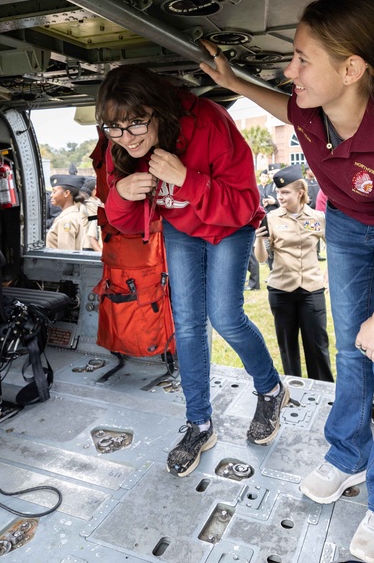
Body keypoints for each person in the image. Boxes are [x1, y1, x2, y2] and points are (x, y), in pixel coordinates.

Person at [201, 0, 374, 563]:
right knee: (348, 352)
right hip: (345, 227)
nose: (290, 70)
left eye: (300, 59)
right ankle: (348, 456)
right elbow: (280, 105)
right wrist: (233, 79)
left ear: (351, 70)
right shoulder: (314, 111)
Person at [95, 64, 288, 478]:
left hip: (228, 226)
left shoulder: (208, 123)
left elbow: (242, 204)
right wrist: (121, 196)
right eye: (115, 129)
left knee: (225, 315)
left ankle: (271, 388)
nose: (127, 138)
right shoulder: (119, 142)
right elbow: (130, 224)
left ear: (157, 109)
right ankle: (199, 424)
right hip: (182, 228)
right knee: (186, 323)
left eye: (135, 125)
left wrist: (188, 180)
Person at [254, 164, 333, 382]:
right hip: (281, 290)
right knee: (288, 347)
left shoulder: (317, 217)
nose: (280, 196)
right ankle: (295, 389)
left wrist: (329, 274)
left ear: (300, 192)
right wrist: (259, 240)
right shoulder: (271, 219)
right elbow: (261, 258)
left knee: (317, 346)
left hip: (312, 289)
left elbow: (334, 248)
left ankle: (324, 392)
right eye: (278, 192)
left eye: (285, 192)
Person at [46, 174, 99, 250]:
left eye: (54, 192)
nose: (51, 195)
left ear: (66, 193)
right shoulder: (70, 215)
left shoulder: (67, 220)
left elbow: (65, 255)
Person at [304, 166, 325, 260]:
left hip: (316, 211)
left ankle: (317, 252)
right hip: (308, 212)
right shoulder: (304, 183)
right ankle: (312, 252)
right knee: (310, 233)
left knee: (318, 231)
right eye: (311, 169)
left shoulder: (316, 182)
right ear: (307, 171)